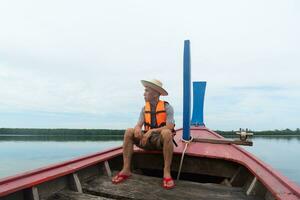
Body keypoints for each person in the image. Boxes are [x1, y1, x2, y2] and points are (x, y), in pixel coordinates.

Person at [112, 79, 175, 189]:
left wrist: (151, 131)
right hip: (145, 140)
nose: (143, 93)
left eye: (146, 91)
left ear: (156, 93)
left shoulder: (167, 107)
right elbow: (138, 124)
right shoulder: (144, 108)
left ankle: (166, 172)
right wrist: (137, 129)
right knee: (129, 131)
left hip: (159, 141)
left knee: (167, 132)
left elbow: (170, 126)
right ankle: (126, 169)